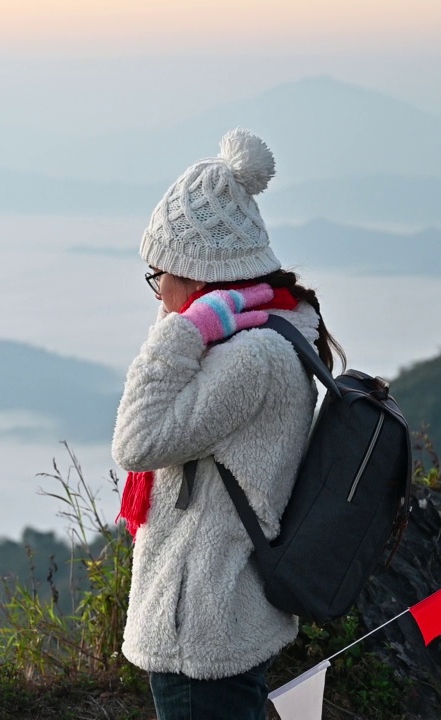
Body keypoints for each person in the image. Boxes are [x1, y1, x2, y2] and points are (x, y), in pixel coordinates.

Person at [112, 128, 343, 720]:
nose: (158, 294)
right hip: (220, 610)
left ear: (194, 274)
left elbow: (136, 443)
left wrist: (182, 331)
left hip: (204, 630)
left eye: (158, 275)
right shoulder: (266, 331)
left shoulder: (249, 357)